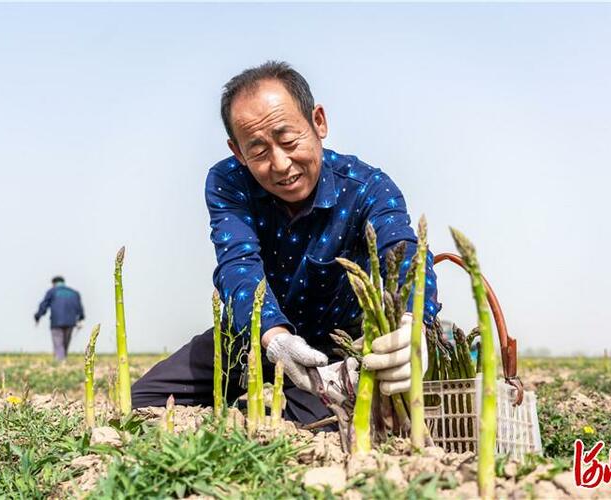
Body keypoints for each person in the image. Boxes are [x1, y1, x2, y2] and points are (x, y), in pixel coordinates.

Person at [131, 61, 441, 426]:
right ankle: (254, 416)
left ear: (318, 122)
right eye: (259, 151)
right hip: (257, 333)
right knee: (142, 401)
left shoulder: (368, 187)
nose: (280, 164)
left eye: (289, 141)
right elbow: (237, 264)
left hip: (336, 345)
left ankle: (271, 418)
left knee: (319, 421)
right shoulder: (227, 182)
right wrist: (274, 338)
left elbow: (402, 252)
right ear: (238, 152)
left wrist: (412, 322)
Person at [34, 276, 85, 361]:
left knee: (58, 344)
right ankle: (63, 361)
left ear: (53, 283)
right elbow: (79, 307)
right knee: (65, 343)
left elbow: (44, 305)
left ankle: (61, 363)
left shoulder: (52, 292)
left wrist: (37, 316)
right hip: (71, 322)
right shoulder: (74, 293)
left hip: (56, 322)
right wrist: (81, 318)